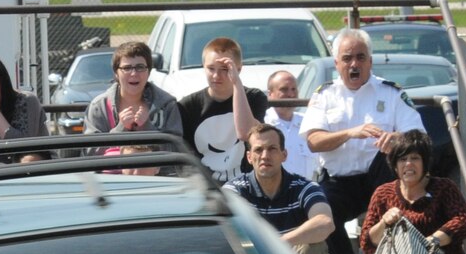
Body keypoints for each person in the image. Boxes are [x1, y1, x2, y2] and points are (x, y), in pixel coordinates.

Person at [303, 29, 425, 254]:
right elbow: (313, 140)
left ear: (371, 61)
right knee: (320, 209)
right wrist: (350, 133)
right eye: (347, 58)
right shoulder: (325, 95)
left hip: (379, 178)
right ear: (337, 63)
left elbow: (419, 136)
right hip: (339, 181)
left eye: (360, 57)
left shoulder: (391, 93)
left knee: (392, 175)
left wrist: (397, 139)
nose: (354, 64)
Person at [227, 124, 333, 254]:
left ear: (284, 155)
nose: (265, 156)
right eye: (258, 150)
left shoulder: (304, 187)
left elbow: (325, 223)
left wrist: (279, 244)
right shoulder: (234, 191)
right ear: (249, 157)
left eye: (272, 149)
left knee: (314, 246)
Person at [177, 36, 269, 184]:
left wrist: (236, 83)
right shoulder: (188, 106)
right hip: (206, 186)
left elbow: (247, 133)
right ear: (203, 66)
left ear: (238, 69)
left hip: (247, 182)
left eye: (225, 69)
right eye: (211, 68)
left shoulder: (254, 97)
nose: (216, 76)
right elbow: (185, 157)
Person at [83, 41, 180, 139]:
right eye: (127, 68)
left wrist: (147, 127)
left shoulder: (167, 105)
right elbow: (90, 151)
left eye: (140, 67)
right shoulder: (99, 107)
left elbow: (177, 148)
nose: (134, 73)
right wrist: (120, 129)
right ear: (116, 73)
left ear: (149, 71)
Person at [265, 68, 316, 181]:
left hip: (305, 193)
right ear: (270, 94)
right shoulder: (262, 124)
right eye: (284, 89)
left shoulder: (309, 123)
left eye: (294, 89)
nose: (291, 94)